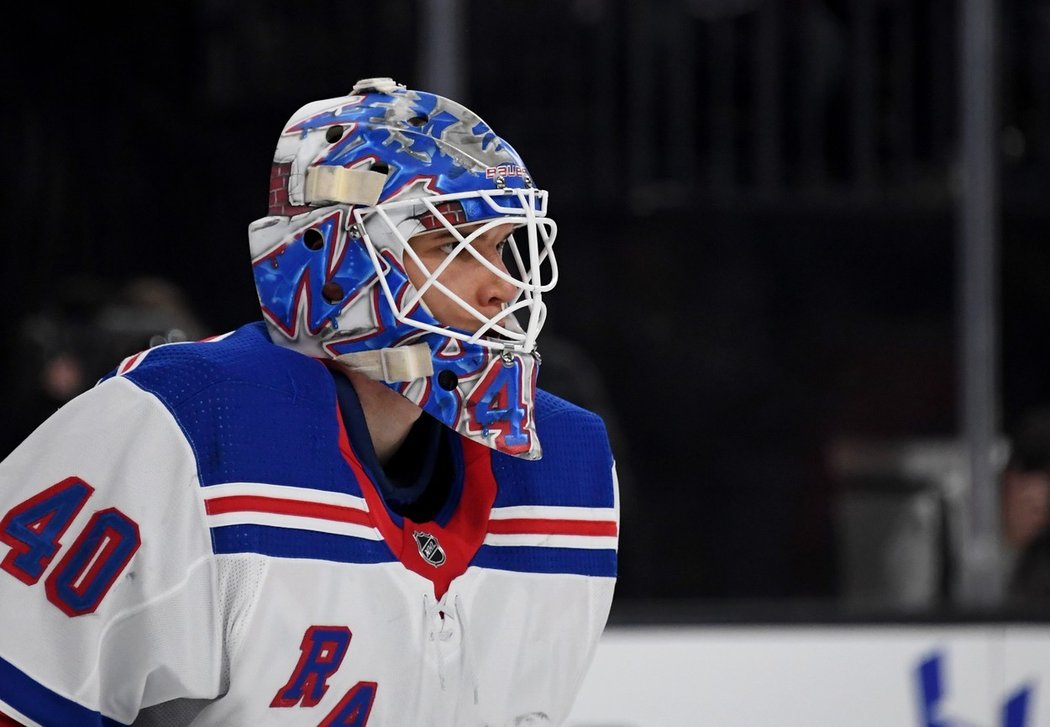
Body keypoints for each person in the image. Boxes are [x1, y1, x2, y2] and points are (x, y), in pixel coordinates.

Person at [0, 78, 619, 726]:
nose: (503, 285)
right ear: (337, 257)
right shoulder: (185, 424)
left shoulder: (566, 469)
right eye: (451, 247)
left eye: (503, 246)